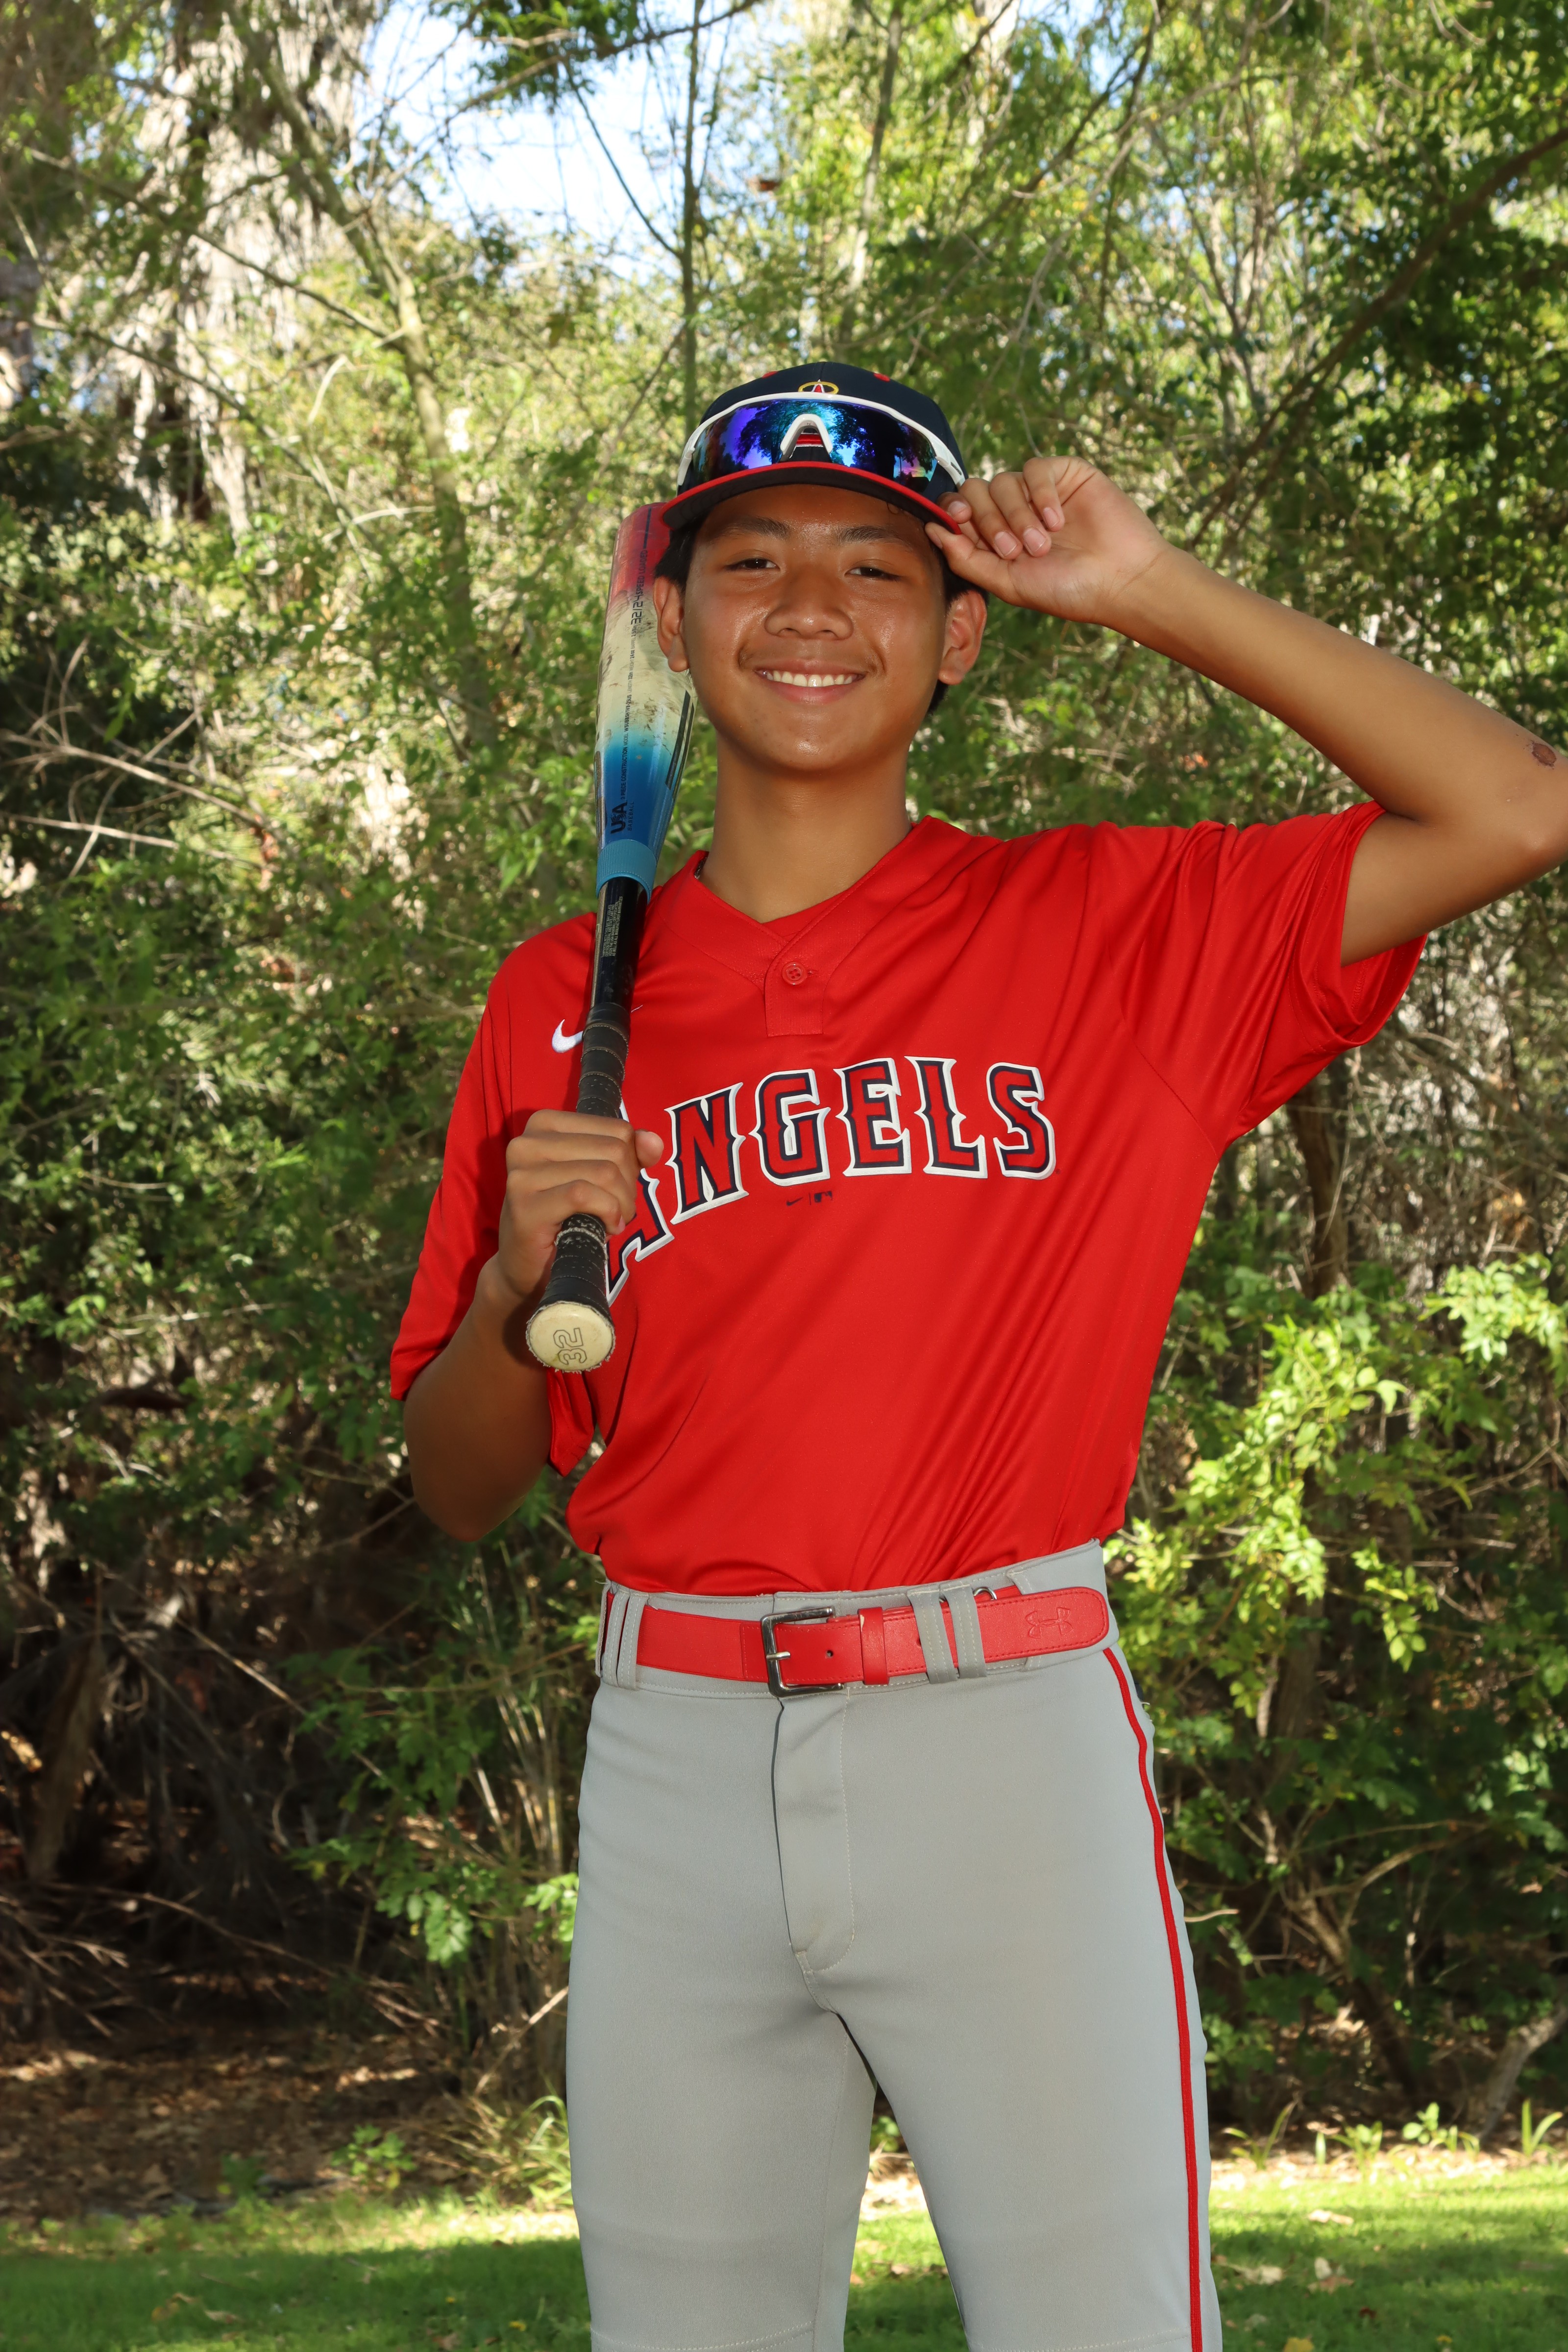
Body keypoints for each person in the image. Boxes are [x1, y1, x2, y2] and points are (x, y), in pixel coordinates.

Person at [392, 362, 1567, 2352]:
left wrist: (1146, 584)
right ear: (670, 621)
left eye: (877, 567)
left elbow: (1518, 803)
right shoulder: (563, 1003)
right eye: (750, 560)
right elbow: (456, 1478)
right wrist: (519, 1290)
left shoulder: (1111, 929)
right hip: (675, 1749)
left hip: (1000, 1730)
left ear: (958, 637)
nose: (809, 606)